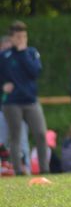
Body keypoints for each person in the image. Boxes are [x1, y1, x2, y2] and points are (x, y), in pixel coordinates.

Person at [0, 21, 48, 175]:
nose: (21, 39)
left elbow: (35, 72)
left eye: (24, 36)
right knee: (16, 136)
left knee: (41, 134)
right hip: (12, 103)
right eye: (18, 37)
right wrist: (2, 87)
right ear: (12, 38)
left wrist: (23, 52)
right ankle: (19, 171)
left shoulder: (31, 52)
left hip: (31, 101)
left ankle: (44, 170)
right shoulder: (5, 56)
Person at [0, 35, 30, 171]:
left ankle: (25, 170)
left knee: (21, 141)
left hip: (18, 108)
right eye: (4, 49)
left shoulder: (17, 64)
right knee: (2, 142)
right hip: (2, 110)